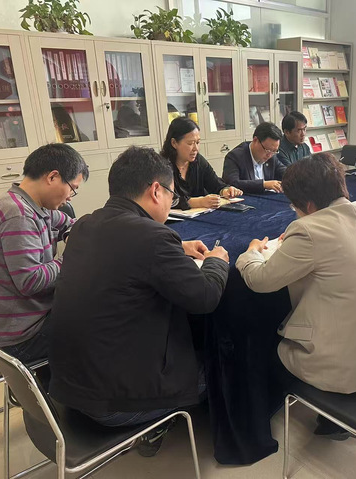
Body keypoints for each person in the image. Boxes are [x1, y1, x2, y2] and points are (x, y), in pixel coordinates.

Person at [49, 146, 229, 456]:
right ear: (156, 191)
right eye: (172, 195)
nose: (171, 202)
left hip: (68, 387)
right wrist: (217, 260)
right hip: (114, 403)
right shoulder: (153, 237)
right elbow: (205, 297)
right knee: (221, 359)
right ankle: (160, 424)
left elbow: (125, 251)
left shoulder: (85, 225)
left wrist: (179, 247)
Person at [236, 152, 356, 398]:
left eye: (294, 207)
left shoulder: (308, 230)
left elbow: (260, 280)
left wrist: (251, 253)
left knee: (263, 350)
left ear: (308, 206)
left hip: (348, 371)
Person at [0, 143, 89, 362]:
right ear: (53, 177)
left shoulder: (35, 206)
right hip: (21, 337)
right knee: (102, 320)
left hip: (12, 324)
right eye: (72, 189)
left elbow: (72, 224)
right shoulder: (17, 214)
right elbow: (31, 281)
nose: (70, 197)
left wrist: (71, 236)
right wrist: (73, 257)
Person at [161, 117, 242, 210]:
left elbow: (215, 184)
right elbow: (166, 200)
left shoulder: (198, 160)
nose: (196, 148)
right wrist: (198, 202)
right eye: (190, 143)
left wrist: (225, 191)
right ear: (174, 143)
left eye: (198, 142)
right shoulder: (162, 166)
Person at [222, 122, 286, 193]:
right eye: (267, 150)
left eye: (274, 151)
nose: (270, 155)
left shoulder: (271, 156)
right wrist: (263, 184)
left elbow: (285, 173)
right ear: (255, 140)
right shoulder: (235, 157)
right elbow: (232, 184)